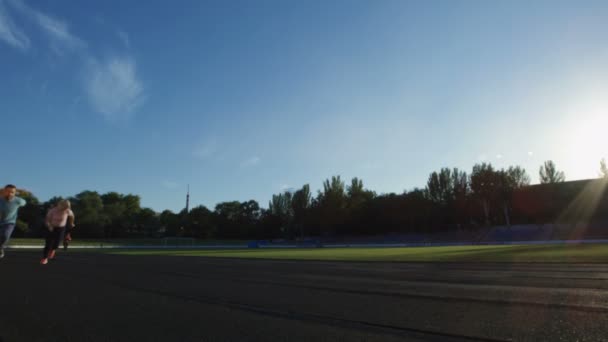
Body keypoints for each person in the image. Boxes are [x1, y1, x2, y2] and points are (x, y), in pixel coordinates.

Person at [41, 200, 75, 265]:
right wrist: (49, 226)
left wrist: (71, 223)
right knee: (48, 243)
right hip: (51, 227)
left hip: (61, 228)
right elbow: (47, 220)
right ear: (59, 205)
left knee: (57, 243)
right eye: (64, 207)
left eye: (66, 207)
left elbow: (72, 216)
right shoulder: (52, 211)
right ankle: (44, 258)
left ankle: (53, 249)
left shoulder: (68, 211)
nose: (64, 209)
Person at [0, 184, 27, 259]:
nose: (10, 193)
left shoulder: (18, 200)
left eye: (12, 192)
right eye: (8, 191)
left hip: (10, 222)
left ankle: (1, 248)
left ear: (14, 193)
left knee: (5, 235)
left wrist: (21, 201)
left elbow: (24, 202)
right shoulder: (0, 200)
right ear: (4, 191)